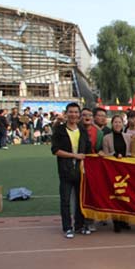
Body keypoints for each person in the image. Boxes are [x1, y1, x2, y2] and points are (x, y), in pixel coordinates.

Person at [51, 102, 92, 238]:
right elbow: (55, 150)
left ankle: (79, 226)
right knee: (65, 201)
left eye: (76, 112)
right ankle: (67, 227)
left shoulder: (82, 131)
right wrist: (74, 155)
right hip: (65, 171)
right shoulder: (60, 130)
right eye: (71, 112)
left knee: (80, 200)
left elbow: (88, 150)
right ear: (66, 113)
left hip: (80, 171)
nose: (73, 115)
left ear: (79, 114)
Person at [99, 115, 132, 232]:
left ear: (123, 124)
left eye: (119, 122)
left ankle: (125, 220)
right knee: (115, 196)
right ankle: (116, 222)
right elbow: (105, 155)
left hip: (125, 171)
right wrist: (114, 155)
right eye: (115, 122)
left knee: (126, 195)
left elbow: (130, 153)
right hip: (113, 170)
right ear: (112, 124)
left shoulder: (128, 137)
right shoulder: (106, 138)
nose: (117, 124)